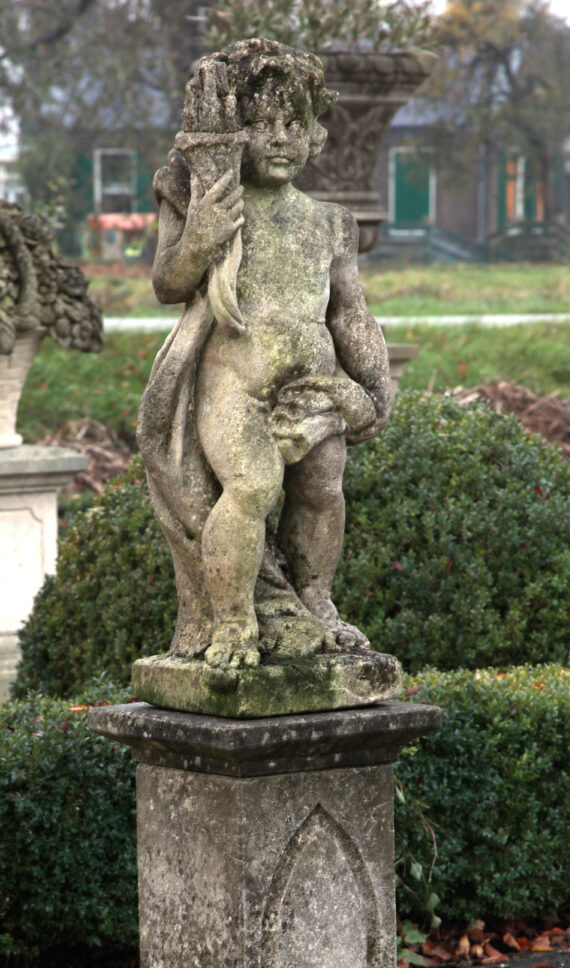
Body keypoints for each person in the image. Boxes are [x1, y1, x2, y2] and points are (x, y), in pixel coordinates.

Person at [148, 39, 393, 671]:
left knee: (322, 490)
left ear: (315, 134)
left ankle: (315, 601)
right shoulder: (206, 199)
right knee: (252, 487)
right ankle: (233, 621)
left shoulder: (331, 222)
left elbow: (351, 312)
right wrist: (199, 240)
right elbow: (168, 284)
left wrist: (373, 386)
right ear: (236, 134)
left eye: (293, 124)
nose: (280, 138)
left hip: (314, 387)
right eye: (261, 125)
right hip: (234, 381)